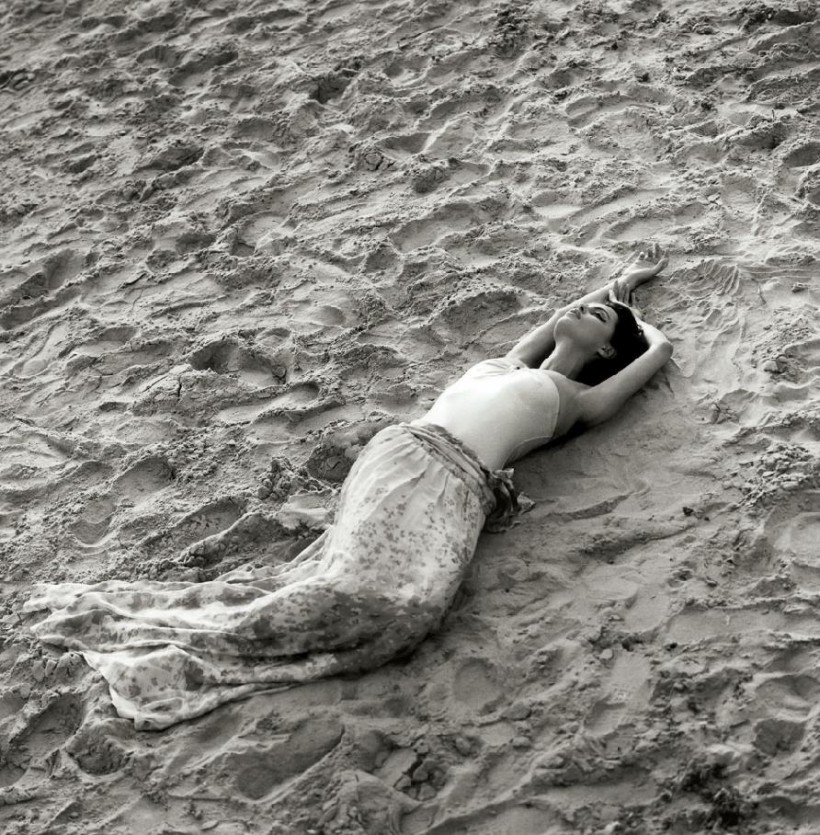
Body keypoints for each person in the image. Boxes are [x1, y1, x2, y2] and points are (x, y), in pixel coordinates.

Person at [25, 245, 672, 730]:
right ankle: (211, 639)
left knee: (401, 607)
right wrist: (622, 285)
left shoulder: (577, 398)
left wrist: (643, 323)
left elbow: (651, 357)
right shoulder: (506, 363)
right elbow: (574, 317)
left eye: (600, 317)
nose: (583, 307)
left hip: (456, 480)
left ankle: (200, 646)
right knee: (354, 588)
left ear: (606, 348)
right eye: (585, 303)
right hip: (400, 454)